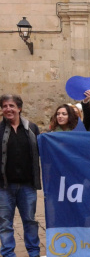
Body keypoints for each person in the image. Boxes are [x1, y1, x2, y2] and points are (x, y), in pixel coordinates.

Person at [0, 94, 41, 257]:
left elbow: (42, 150)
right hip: (4, 186)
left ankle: (34, 253)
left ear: (19, 108)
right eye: (4, 106)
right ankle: (8, 254)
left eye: (11, 106)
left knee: (30, 221)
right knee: (5, 224)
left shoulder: (32, 128)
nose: (8, 109)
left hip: (27, 185)